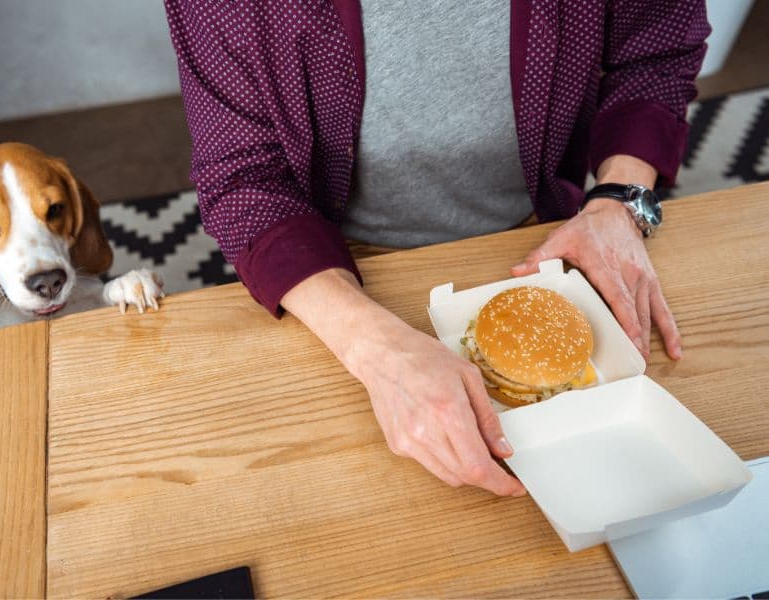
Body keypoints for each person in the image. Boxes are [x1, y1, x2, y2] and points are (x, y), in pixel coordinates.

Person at [163, 1, 710, 495]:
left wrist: (619, 200)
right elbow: (242, 178)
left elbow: (657, 49)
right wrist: (374, 350)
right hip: (329, 276)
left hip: (543, 232)